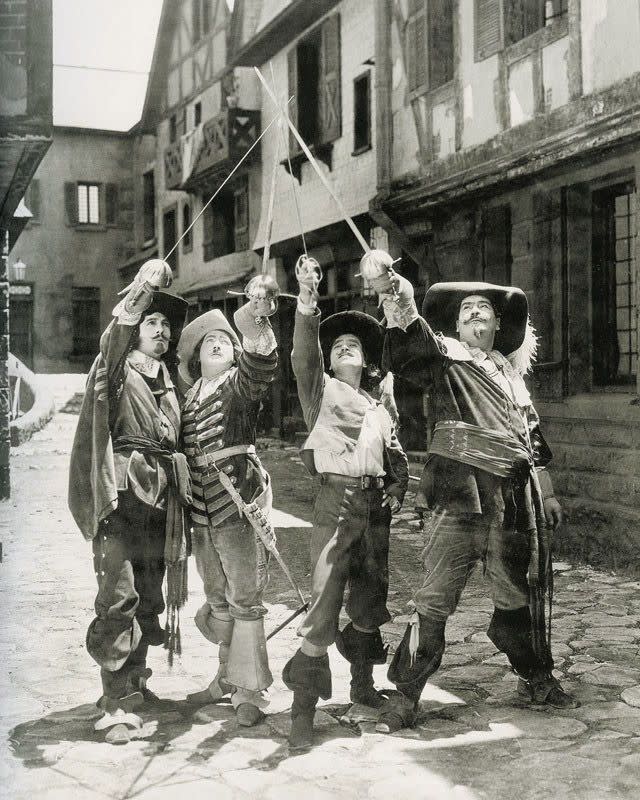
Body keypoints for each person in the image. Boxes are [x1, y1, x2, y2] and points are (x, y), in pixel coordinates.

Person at [363, 249, 576, 735]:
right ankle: (406, 695)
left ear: (499, 324)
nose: (474, 312)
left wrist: (547, 495)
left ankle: (535, 674)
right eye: (465, 310)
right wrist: (394, 290)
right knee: (435, 598)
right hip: (457, 494)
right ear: (457, 327)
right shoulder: (444, 358)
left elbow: (533, 445)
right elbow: (411, 334)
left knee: (515, 594)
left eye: (483, 308)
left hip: (512, 500)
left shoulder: (513, 381)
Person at [282, 256, 409, 751]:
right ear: (330, 361)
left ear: (367, 358)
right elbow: (302, 356)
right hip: (335, 507)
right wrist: (308, 299)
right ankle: (302, 710)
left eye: (353, 343)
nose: (345, 348)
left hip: (375, 510)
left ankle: (362, 688)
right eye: (337, 346)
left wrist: (396, 487)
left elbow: (394, 452)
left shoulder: (379, 404)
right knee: (324, 601)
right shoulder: (321, 392)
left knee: (369, 601)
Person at [68, 260, 190, 744]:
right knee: (118, 596)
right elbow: (114, 335)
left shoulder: (171, 380)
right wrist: (144, 286)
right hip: (119, 494)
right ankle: (113, 702)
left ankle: (135, 684)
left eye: (166, 325)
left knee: (148, 595)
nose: (160, 331)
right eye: (152, 322)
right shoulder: (115, 369)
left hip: (162, 501)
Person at [176, 276, 279, 727]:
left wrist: (256, 319)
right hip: (201, 513)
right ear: (195, 358)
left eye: (224, 340)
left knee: (245, 599)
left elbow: (260, 366)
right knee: (216, 598)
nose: (217, 344)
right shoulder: (187, 399)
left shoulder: (239, 385)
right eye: (208, 343)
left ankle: (250, 690)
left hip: (237, 505)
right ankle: (224, 676)